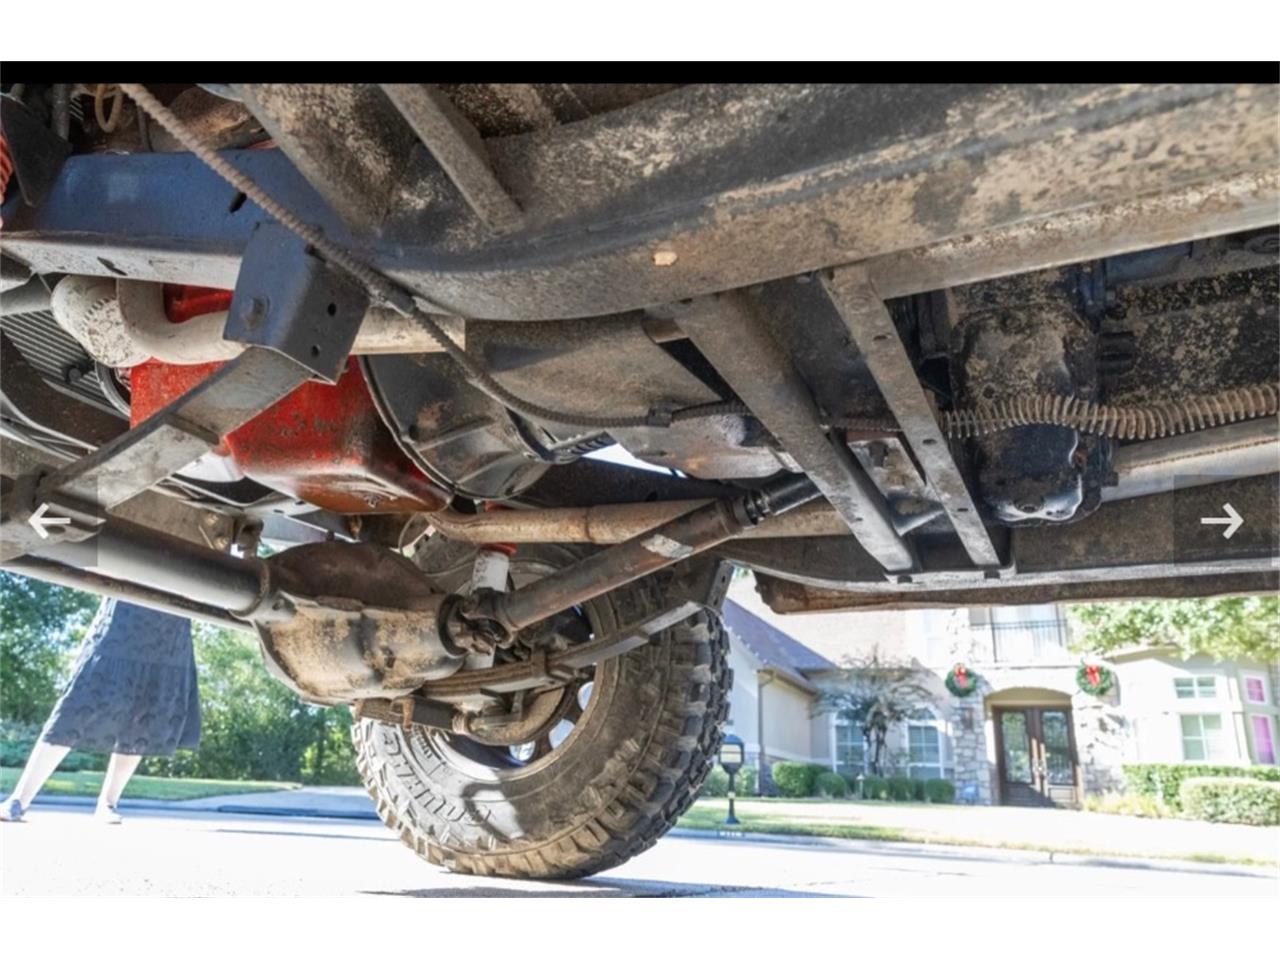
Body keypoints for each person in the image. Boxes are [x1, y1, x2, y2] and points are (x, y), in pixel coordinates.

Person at [0, 598, 199, 824]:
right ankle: (18, 799)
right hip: (123, 616)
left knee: (142, 718)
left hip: (170, 629)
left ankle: (108, 803)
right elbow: (94, 562)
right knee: (74, 710)